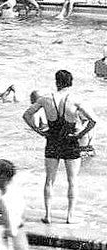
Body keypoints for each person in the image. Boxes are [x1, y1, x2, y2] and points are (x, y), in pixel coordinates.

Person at [23, 69, 98, 223]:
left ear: (56, 82)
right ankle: (70, 216)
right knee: (72, 180)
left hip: (52, 140)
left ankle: (48, 215)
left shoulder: (45, 99)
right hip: (70, 142)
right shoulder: (75, 99)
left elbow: (26, 115)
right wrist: (78, 135)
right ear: (70, 83)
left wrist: (39, 131)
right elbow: (93, 120)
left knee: (49, 180)